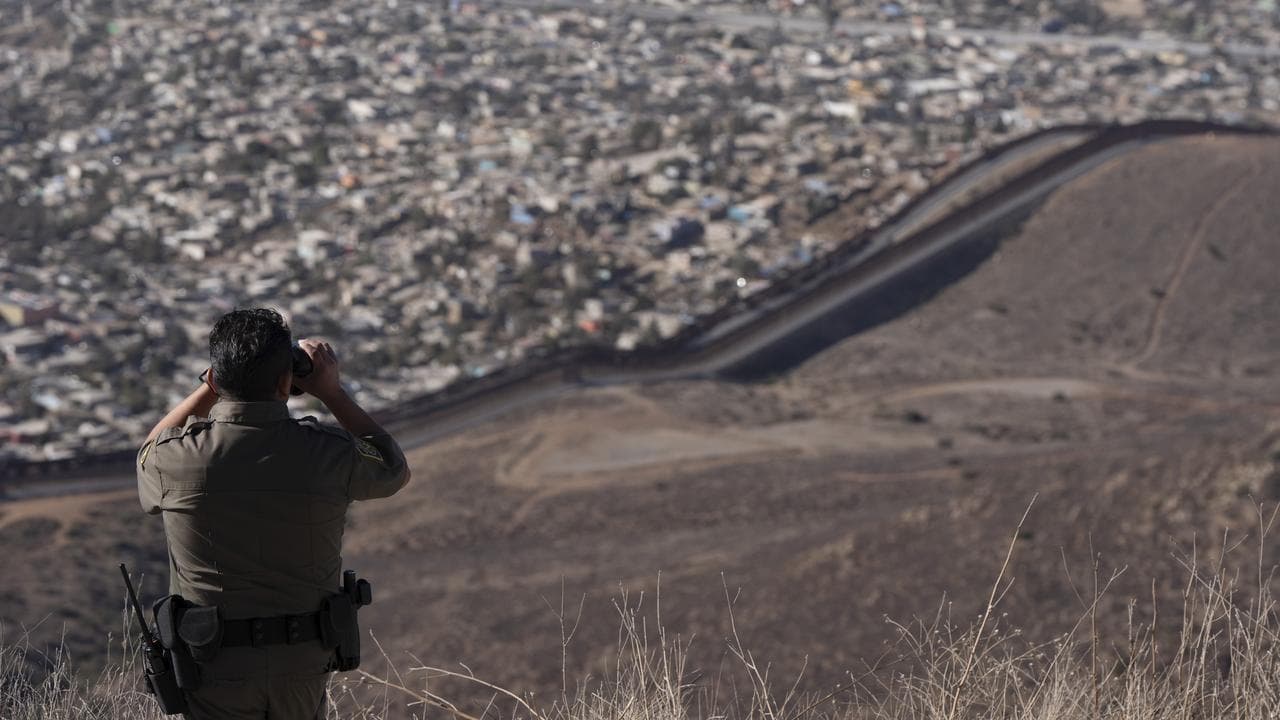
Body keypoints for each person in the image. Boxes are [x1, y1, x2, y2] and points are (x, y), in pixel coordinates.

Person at [136, 308, 411, 719]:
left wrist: (210, 388)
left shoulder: (175, 461)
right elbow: (392, 468)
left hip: (213, 664)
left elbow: (147, 452)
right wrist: (332, 392)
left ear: (215, 377)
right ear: (286, 381)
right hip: (301, 662)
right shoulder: (327, 453)